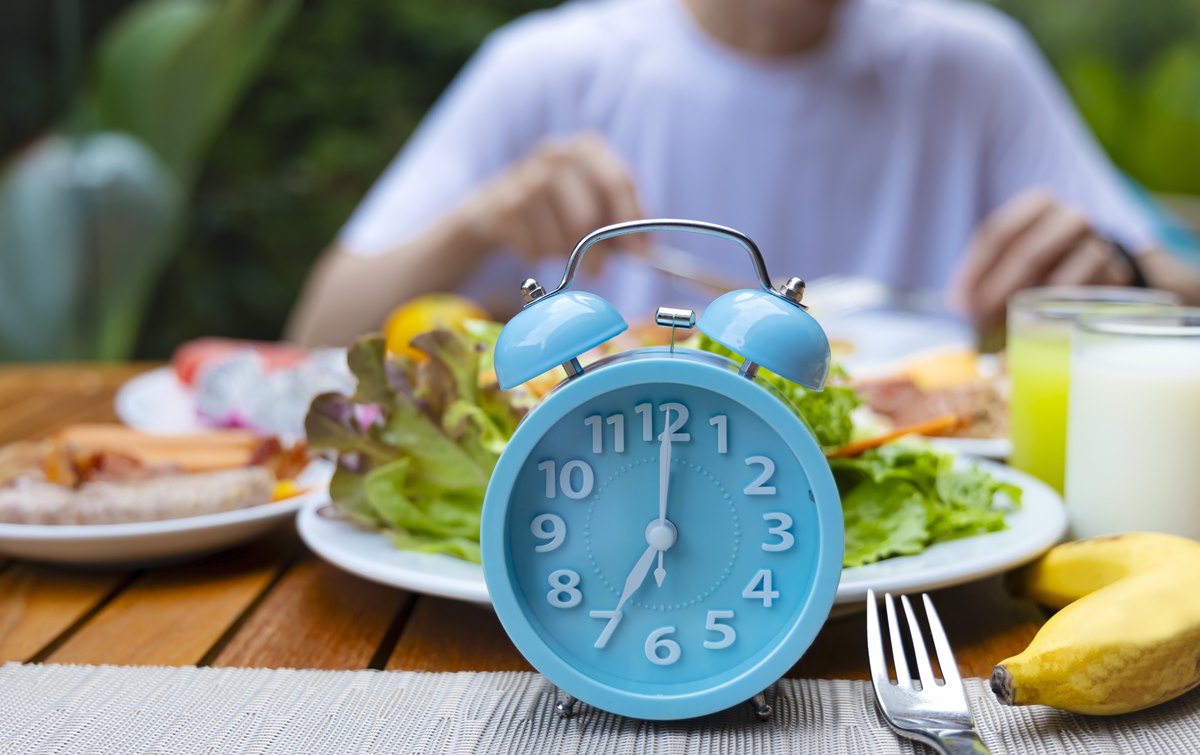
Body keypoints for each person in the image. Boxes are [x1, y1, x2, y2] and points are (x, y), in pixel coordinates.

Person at [286, 0, 1200, 346]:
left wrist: (1120, 267)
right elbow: (317, 331)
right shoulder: (549, 66)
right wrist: (473, 224)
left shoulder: (973, 65)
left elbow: (1178, 283)